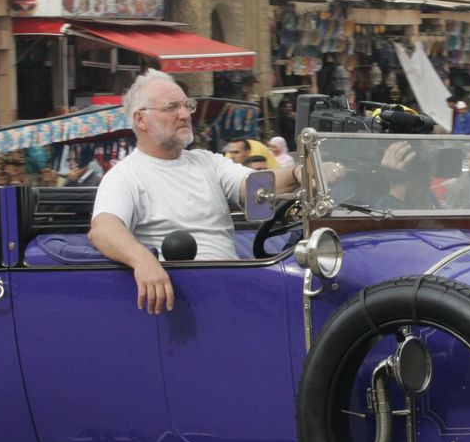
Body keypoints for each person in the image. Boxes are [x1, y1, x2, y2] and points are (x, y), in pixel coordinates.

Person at [89, 70, 310, 314]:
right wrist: (143, 261)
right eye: (171, 107)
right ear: (141, 119)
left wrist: (300, 173)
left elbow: (255, 186)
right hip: (184, 300)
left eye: (186, 105)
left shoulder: (207, 161)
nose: (185, 114)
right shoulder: (125, 176)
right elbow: (103, 229)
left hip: (232, 288)